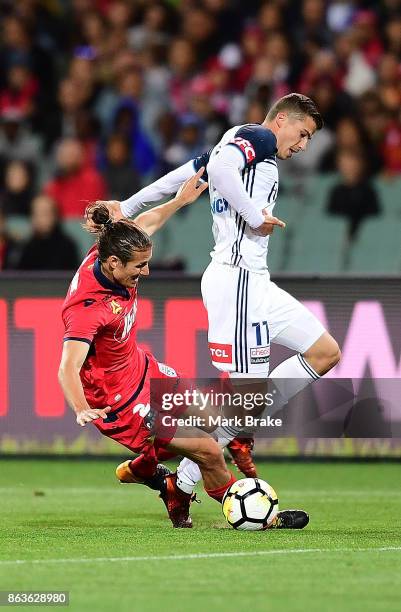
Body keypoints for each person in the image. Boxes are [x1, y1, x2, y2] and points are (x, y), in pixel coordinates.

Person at [97, 93, 341, 514]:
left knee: (323, 353)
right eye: (302, 134)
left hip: (256, 283)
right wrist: (253, 213)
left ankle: (180, 456)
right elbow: (223, 169)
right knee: (245, 399)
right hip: (237, 281)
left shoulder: (237, 142)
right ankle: (183, 484)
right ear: (281, 120)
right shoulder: (258, 138)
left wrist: (131, 205)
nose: (302, 146)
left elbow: (189, 174)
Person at [58, 170, 238, 529]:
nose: (147, 270)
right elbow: (67, 368)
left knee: (217, 421)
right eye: (139, 266)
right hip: (119, 403)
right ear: (114, 264)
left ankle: (151, 473)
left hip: (142, 369)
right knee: (207, 450)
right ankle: (250, 512)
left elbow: (145, 222)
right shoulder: (87, 310)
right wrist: (81, 408)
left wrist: (181, 201)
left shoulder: (110, 249)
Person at [17, 195, 79, 270]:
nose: (39, 218)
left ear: (55, 216)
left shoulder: (67, 246)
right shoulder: (26, 247)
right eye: (36, 213)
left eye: (45, 213)